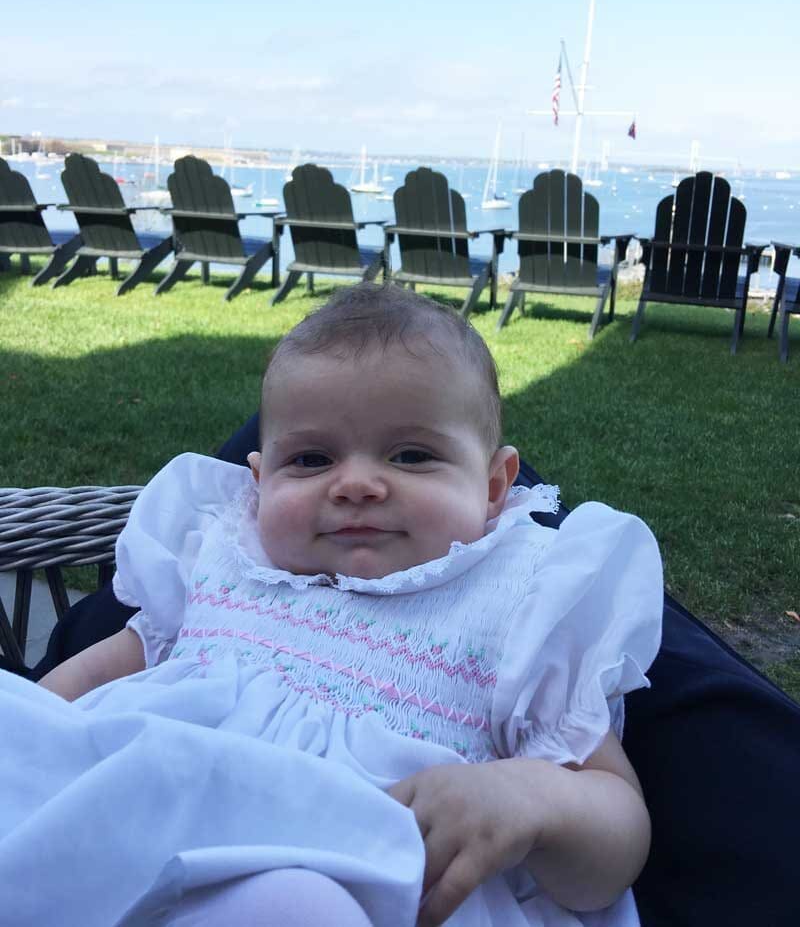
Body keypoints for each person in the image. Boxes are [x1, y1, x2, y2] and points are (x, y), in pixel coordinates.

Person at [1, 283, 662, 927]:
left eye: (412, 455)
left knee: (300, 907)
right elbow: (104, 669)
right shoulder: (224, 552)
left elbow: (616, 835)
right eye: (312, 459)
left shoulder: (522, 602)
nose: (356, 484)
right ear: (258, 483)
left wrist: (532, 798)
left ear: (495, 487)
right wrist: (32, 730)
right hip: (132, 841)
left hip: (336, 881)